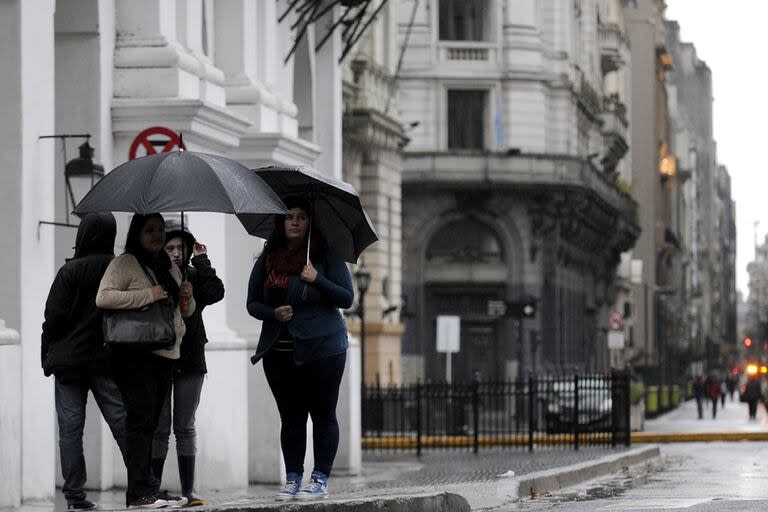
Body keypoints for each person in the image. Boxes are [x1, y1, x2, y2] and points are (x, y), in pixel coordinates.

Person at [246, 197, 353, 501]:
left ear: (310, 223)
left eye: (301, 217)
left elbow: (346, 298)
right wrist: (273, 313)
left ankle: (319, 478)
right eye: (288, 216)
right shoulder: (268, 258)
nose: (294, 222)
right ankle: (293, 477)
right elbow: (252, 303)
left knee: (322, 413)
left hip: (324, 348)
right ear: (280, 223)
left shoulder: (325, 254)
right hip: (279, 351)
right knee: (291, 416)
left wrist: (317, 278)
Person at [96, 213, 195, 509]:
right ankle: (139, 494)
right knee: (140, 423)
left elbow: (183, 313)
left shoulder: (168, 266)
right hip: (134, 353)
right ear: (137, 233)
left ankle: (148, 487)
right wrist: (146, 295)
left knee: (150, 425)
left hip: (166, 352)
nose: (157, 235)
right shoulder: (125, 262)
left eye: (161, 230)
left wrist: (187, 298)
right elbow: (103, 298)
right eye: (149, 230)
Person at [41, 213, 128, 510]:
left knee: (70, 430)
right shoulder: (118, 269)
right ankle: (144, 483)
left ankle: (75, 496)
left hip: (69, 363)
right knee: (122, 423)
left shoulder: (70, 271)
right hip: (106, 360)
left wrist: (49, 352)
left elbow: (52, 318)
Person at [151, 221, 224, 506]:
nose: (176, 253)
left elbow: (216, 292)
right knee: (159, 427)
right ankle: (154, 488)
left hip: (191, 358)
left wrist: (202, 260)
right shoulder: (154, 275)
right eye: (170, 248)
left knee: (185, 425)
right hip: (160, 358)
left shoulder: (193, 276)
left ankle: (189, 490)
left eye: (181, 247)